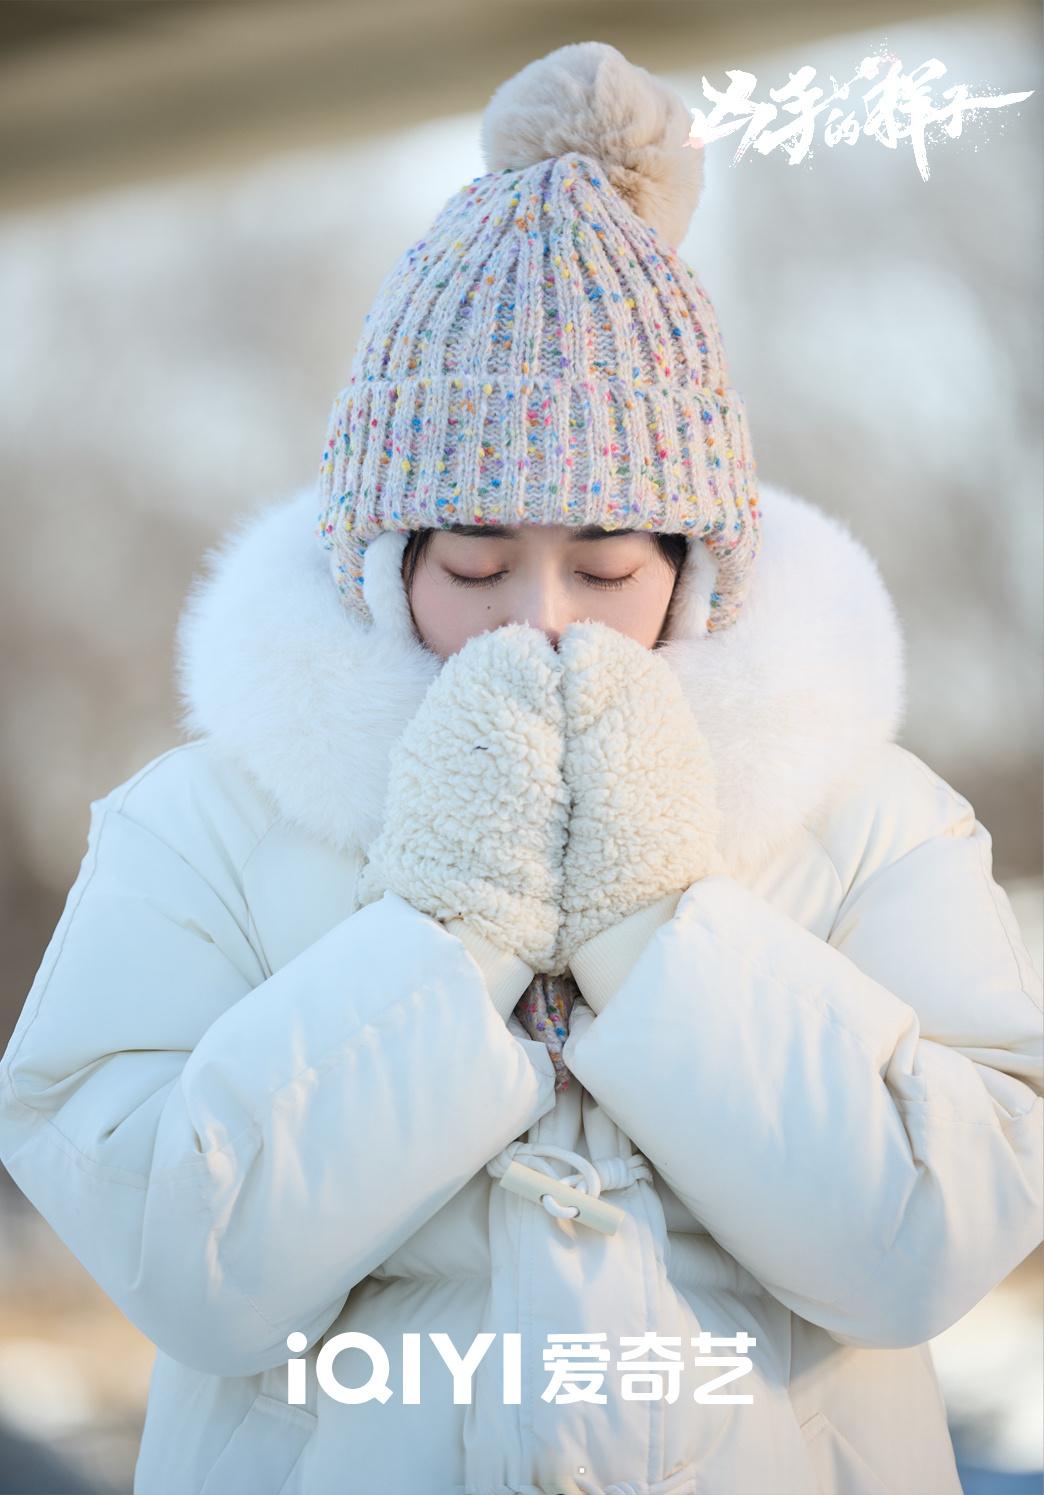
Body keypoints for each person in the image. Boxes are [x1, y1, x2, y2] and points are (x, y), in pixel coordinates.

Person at [0, 40, 1041, 1495]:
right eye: (475, 564)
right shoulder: (201, 828)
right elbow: (184, 1264)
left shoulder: (871, 819)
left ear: (698, 573)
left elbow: (932, 1240)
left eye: (605, 566)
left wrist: (655, 920)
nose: (538, 624)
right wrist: (446, 931)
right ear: (381, 562)